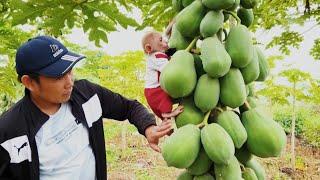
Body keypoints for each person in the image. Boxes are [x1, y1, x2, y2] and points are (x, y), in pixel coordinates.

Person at [0, 36, 174, 180]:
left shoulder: (86, 94)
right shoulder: (9, 130)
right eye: (58, 76)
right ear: (29, 82)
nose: (69, 82)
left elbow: (129, 107)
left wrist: (148, 127)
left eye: (70, 71)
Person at [142, 31, 184, 121]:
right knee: (164, 100)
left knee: (168, 98)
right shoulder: (156, 57)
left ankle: (166, 120)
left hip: (152, 90)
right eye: (161, 40)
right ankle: (167, 114)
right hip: (154, 91)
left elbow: (165, 38)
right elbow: (168, 70)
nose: (164, 41)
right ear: (149, 48)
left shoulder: (157, 55)